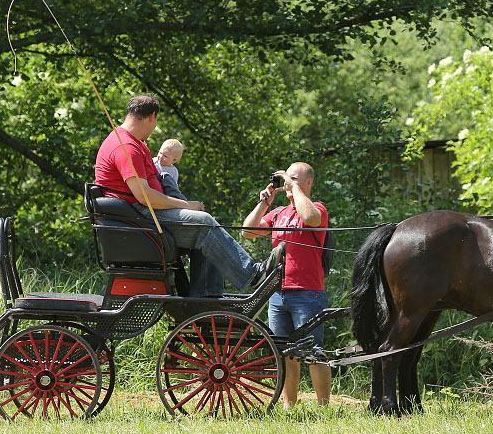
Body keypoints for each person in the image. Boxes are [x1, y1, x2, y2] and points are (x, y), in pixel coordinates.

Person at [94, 94, 282, 291]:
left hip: (142, 212)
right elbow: (144, 197)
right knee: (204, 223)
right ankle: (252, 275)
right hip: (140, 215)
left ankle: (205, 299)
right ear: (152, 116)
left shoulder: (136, 143)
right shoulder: (125, 146)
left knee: (204, 226)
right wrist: (186, 205)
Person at [243, 162, 330, 408]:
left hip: (308, 293)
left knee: (314, 352)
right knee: (285, 355)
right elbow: (247, 232)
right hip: (277, 294)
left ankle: (323, 408)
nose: (287, 184)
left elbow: (310, 218)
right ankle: (289, 407)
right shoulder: (278, 213)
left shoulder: (317, 209)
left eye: (294, 178)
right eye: (286, 179)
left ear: (308, 182)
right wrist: (264, 203)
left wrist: (294, 188)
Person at [151, 138, 223, 297]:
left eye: (165, 156)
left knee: (208, 234)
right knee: (204, 224)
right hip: (160, 210)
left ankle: (207, 292)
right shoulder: (153, 163)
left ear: (175, 160)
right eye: (160, 153)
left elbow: (172, 191)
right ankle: (203, 293)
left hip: (168, 204)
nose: (160, 157)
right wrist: (185, 205)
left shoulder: (173, 172)